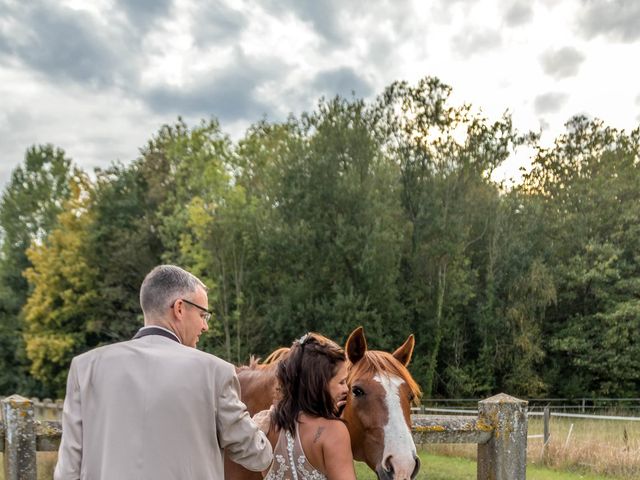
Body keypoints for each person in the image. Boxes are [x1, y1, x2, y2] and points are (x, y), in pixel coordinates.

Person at [54, 264, 272, 480]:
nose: (205, 327)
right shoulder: (215, 372)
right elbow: (257, 456)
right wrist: (259, 429)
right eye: (203, 315)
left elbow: (67, 471)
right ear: (179, 308)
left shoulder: (84, 368)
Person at [256, 333, 356, 480]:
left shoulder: (266, 425)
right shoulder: (334, 432)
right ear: (319, 385)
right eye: (341, 382)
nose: (346, 389)